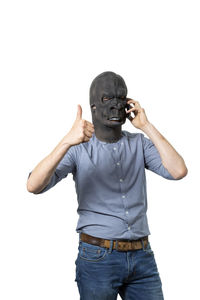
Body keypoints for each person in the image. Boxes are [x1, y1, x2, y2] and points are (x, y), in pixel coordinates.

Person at [27, 71, 188, 300]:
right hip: (98, 258)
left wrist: (146, 126)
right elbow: (33, 185)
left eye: (120, 99)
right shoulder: (78, 149)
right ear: (93, 107)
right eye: (106, 99)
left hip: (142, 256)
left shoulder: (139, 144)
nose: (115, 105)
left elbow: (178, 171)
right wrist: (66, 141)